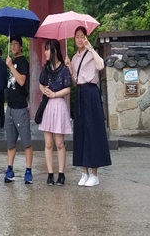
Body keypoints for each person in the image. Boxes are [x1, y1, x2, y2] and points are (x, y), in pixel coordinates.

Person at [65, 26, 111, 187]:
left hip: (91, 93)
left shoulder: (91, 53)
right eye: (77, 36)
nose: (79, 39)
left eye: (82, 36)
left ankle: (94, 174)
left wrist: (91, 48)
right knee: (81, 132)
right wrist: (69, 68)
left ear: (86, 37)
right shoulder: (74, 57)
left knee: (93, 131)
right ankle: (84, 172)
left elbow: (101, 65)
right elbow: (75, 82)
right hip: (80, 93)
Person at [38, 39, 73, 186]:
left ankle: (61, 173)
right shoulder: (46, 68)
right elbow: (40, 83)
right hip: (47, 105)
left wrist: (55, 94)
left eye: (47, 49)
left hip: (59, 104)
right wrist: (44, 90)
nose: (45, 52)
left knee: (59, 143)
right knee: (48, 143)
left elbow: (68, 88)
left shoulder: (64, 69)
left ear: (54, 51)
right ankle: (50, 174)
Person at [3, 35, 33, 184]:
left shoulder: (23, 62)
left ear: (20, 46)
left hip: (20, 108)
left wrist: (10, 66)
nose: (13, 46)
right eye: (12, 44)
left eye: (16, 44)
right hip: (10, 107)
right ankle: (10, 169)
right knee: (10, 142)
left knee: (26, 142)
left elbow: (21, 81)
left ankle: (28, 170)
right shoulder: (11, 61)